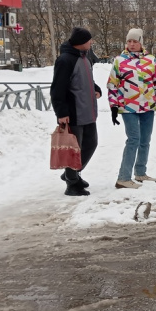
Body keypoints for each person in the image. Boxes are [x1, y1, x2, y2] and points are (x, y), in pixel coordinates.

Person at [107, 28, 156, 189]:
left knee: (145, 141)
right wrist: (113, 106)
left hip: (147, 106)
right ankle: (123, 178)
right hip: (128, 107)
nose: (132, 44)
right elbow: (113, 85)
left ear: (141, 42)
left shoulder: (151, 60)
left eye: (135, 41)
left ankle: (140, 172)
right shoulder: (120, 61)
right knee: (134, 139)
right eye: (129, 41)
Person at [50, 27, 102, 196]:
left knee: (91, 144)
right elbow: (58, 88)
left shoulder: (85, 57)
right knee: (74, 149)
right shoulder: (65, 60)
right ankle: (72, 184)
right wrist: (61, 112)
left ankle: (70, 174)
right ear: (80, 43)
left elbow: (87, 79)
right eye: (89, 40)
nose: (91, 42)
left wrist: (96, 88)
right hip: (74, 112)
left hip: (88, 111)